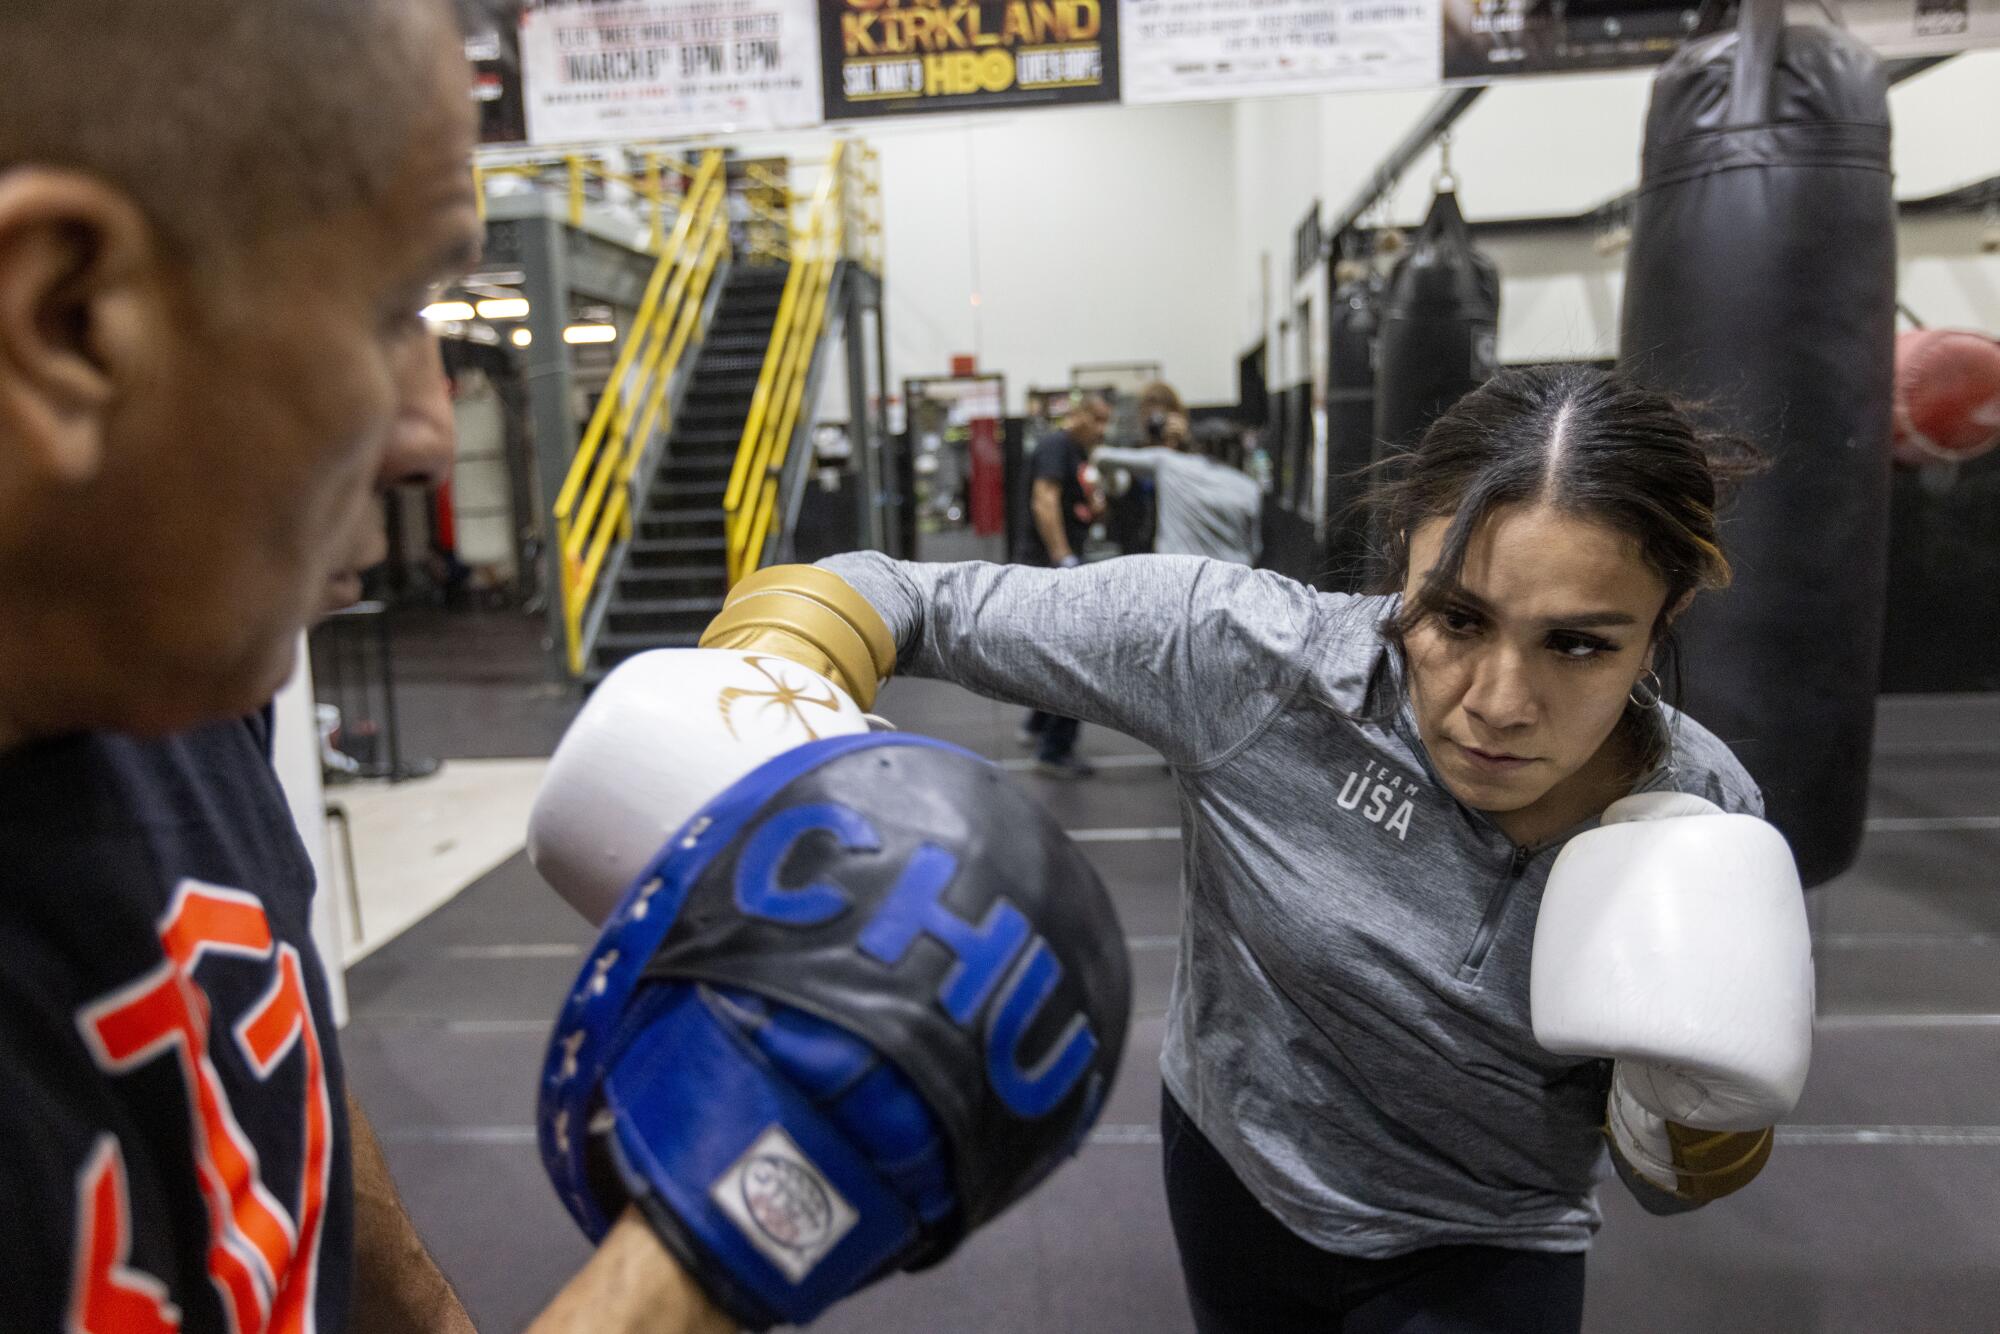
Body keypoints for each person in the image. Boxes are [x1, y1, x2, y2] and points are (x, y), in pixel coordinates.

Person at [762, 364, 1803, 1332]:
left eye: (1576, 643)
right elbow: (896, 594)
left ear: (1664, 614)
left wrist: (1706, 1118)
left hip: (1493, 1239)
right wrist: (755, 698)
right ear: (1400, 561)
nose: (1497, 703)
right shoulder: (1251, 664)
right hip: (1237, 1172)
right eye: (1451, 619)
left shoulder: (1696, 812)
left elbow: (1669, 1181)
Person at [0, 2, 731, 1330]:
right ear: (66, 318)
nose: (431, 435)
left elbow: (263, 1041)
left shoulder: (162, 673)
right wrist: (707, 1249)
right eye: (400, 305)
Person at [1015, 392, 1111, 777]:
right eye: (1097, 419)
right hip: (1050, 566)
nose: (1102, 429)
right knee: (1078, 657)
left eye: (1107, 421)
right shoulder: (1057, 445)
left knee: (1059, 653)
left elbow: (1073, 504)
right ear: (1078, 415)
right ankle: (1053, 751)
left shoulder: (1077, 453)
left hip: (1056, 562)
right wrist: (1063, 557)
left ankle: (1038, 725)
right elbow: (1044, 501)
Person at [1093, 416, 1263, 567]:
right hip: (1233, 576)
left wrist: (1115, 484)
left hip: (1178, 575)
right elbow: (1255, 548)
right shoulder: (1250, 488)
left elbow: (1101, 457)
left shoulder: (1170, 464)